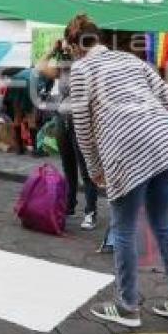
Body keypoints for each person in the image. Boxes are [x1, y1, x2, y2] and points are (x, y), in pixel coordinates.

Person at [67, 14, 168, 329]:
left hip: (126, 152)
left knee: (123, 229)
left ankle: (127, 307)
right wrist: (146, 122)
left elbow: (82, 127)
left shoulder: (81, 69)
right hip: (165, 143)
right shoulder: (129, 58)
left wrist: (95, 169)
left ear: (75, 45)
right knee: (162, 225)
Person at [36, 39, 98, 230]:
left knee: (86, 169)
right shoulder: (63, 70)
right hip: (62, 121)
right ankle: (70, 206)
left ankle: (91, 212)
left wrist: (76, 54)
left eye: (71, 47)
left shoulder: (86, 67)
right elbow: (40, 66)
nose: (67, 51)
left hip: (81, 122)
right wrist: (53, 49)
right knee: (68, 167)